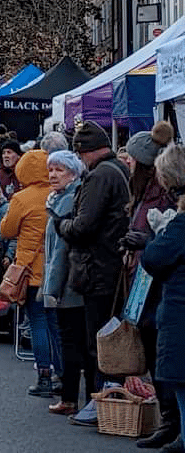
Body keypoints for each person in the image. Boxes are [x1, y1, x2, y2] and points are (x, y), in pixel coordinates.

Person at [54, 121, 130, 426]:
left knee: (97, 340)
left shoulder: (99, 176)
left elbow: (84, 226)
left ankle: (99, 402)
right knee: (108, 337)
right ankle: (106, 399)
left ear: (85, 151)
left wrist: (63, 224)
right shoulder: (118, 170)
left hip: (98, 267)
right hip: (110, 265)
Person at [120, 124, 180, 450]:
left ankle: (172, 421)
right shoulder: (143, 192)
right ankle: (168, 419)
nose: (127, 162)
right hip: (143, 280)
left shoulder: (165, 196)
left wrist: (146, 241)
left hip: (158, 284)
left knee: (163, 353)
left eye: (132, 158)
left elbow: (168, 244)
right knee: (155, 349)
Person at [1, 149, 62, 398]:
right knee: (56, 325)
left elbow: (7, 229)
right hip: (57, 267)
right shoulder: (60, 194)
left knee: (37, 322)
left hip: (30, 269)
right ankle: (63, 373)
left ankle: (44, 375)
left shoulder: (21, 198)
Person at [142, 143, 185, 453]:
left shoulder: (181, 225)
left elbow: (155, 257)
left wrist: (155, 235)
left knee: (182, 385)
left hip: (180, 311)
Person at [42, 151, 91, 417]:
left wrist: (51, 287)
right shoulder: (58, 200)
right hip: (66, 281)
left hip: (69, 284)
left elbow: (60, 252)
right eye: (51, 170)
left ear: (73, 173)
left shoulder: (68, 201)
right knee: (72, 341)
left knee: (71, 341)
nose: (53, 175)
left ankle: (70, 398)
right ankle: (71, 397)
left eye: (60, 170)